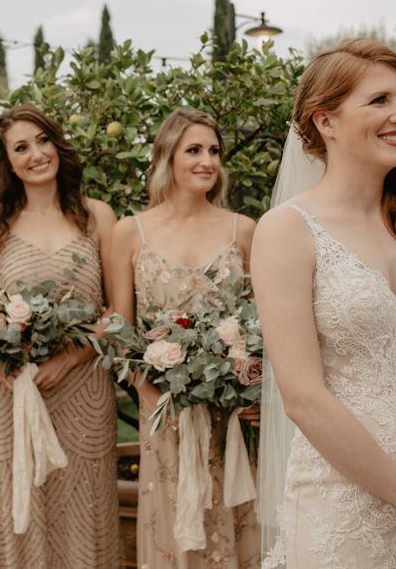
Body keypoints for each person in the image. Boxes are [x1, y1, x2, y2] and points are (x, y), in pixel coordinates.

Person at [251, 39, 396, 568]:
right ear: (326, 121)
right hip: (344, 508)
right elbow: (302, 397)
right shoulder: (286, 231)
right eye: (380, 101)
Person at [0, 104, 122, 568]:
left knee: (84, 504)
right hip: (11, 392)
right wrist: (10, 361)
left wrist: (69, 358)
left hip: (83, 389)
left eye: (43, 140)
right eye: (21, 147)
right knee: (18, 506)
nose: (36, 154)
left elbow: (117, 314)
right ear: (7, 161)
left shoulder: (97, 218)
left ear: (58, 144)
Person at [110, 108, 260, 569]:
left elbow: (265, 322)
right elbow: (121, 331)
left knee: (235, 520)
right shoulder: (129, 232)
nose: (207, 161)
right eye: (193, 150)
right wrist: (146, 391)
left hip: (234, 416)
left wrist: (255, 387)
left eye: (213, 151)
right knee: (174, 528)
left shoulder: (245, 230)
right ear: (167, 158)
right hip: (165, 414)